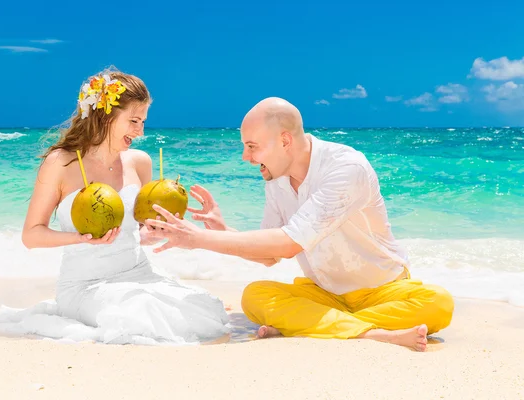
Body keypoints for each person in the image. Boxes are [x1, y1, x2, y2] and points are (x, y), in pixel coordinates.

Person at [144, 97, 454, 352]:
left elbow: (289, 242)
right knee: (255, 296)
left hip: (385, 291)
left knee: (438, 304)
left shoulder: (347, 168)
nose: (245, 157)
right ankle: (369, 331)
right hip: (323, 293)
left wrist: (196, 239)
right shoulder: (277, 179)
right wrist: (222, 232)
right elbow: (270, 255)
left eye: (252, 146)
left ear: (284, 140)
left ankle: (319, 323)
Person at [0, 67, 230, 345]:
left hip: (140, 274)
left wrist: (158, 232)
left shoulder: (140, 162)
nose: (141, 131)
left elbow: (134, 232)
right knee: (141, 317)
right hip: (84, 285)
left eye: (143, 122)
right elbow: (31, 235)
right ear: (106, 114)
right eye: (134, 120)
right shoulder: (61, 163)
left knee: (197, 311)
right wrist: (80, 238)